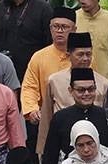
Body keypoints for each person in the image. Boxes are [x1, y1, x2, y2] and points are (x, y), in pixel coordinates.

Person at [39, 64, 108, 164]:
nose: (87, 94)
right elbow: (50, 159)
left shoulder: (107, 116)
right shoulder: (60, 118)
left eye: (91, 89)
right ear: (71, 91)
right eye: (81, 90)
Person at [18, 8, 74, 155]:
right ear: (50, 29)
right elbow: (29, 86)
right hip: (47, 120)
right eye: (55, 27)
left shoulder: (82, 57)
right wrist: (32, 109)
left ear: (74, 29)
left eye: (64, 27)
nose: (59, 31)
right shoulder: (39, 57)